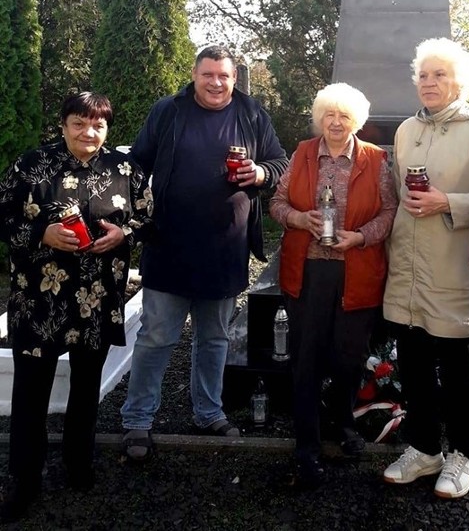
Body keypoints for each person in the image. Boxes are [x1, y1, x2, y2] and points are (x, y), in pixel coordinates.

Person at [121, 46, 288, 459]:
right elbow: (136, 165)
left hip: (225, 249)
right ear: (194, 75)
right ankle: (138, 420)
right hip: (168, 244)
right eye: (208, 74)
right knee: (156, 336)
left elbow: (280, 161)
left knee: (214, 338)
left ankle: (208, 412)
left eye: (224, 76)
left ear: (234, 79)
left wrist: (262, 173)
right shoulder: (168, 110)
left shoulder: (252, 114)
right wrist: (133, 217)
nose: (216, 82)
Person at [0, 92, 152, 522]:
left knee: (86, 390)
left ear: (107, 128)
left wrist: (124, 235)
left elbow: (149, 219)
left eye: (98, 125)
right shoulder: (33, 165)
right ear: (64, 123)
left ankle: (78, 464)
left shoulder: (125, 169)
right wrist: (39, 234)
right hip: (39, 303)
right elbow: (2, 214)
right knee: (30, 393)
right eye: (79, 123)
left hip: (98, 300)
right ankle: (24, 479)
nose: (89, 132)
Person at [382, 37, 469, 497]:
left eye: (440, 75)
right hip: (408, 272)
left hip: (454, 271)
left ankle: (464, 456)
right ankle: (423, 448)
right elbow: (398, 195)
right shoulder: (404, 131)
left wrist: (447, 202)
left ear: (459, 81)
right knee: (412, 366)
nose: (430, 82)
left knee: (457, 372)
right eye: (424, 75)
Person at [270, 82, 397, 487]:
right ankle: (306, 444)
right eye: (329, 114)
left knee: (348, 358)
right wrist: (298, 219)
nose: (336, 122)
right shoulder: (304, 154)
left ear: (356, 120)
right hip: (307, 271)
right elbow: (276, 203)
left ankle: (343, 425)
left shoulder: (376, 160)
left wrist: (360, 237)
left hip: (356, 271)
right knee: (305, 360)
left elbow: (391, 211)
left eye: (344, 115)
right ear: (319, 117)